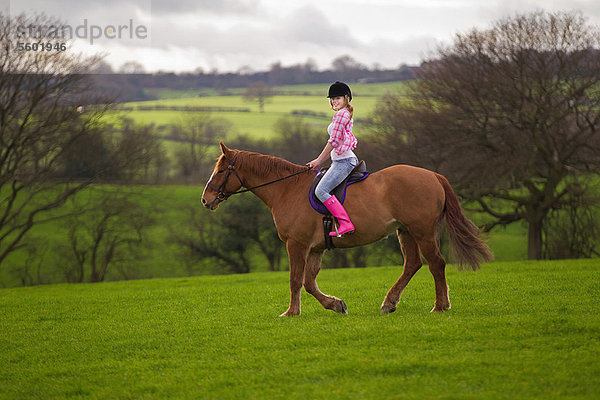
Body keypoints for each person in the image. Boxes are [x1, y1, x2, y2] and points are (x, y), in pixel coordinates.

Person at [307, 81, 358, 237]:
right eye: (332, 99)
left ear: (346, 98)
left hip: (344, 161)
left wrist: (318, 161)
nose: (334, 101)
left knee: (321, 191)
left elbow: (334, 141)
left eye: (337, 98)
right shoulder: (344, 113)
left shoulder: (341, 114)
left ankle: (345, 223)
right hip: (340, 160)